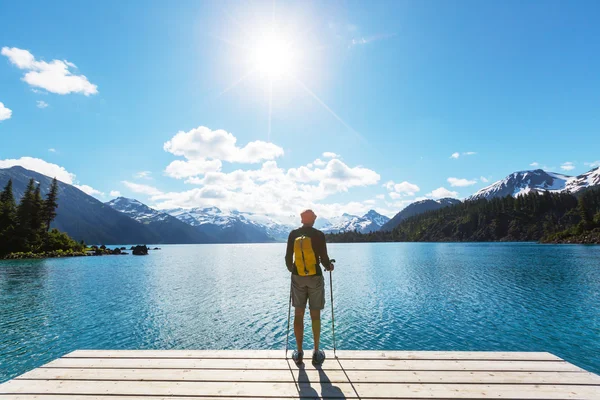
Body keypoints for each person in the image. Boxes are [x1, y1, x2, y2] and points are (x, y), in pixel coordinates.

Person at [285, 209, 334, 365]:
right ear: (313, 219)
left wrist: (294, 271)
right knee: (315, 315)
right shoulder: (319, 235)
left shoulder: (293, 234)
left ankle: (299, 353)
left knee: (298, 314)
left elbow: (287, 258)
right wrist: (329, 266)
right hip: (315, 277)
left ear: (301, 220)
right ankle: (316, 352)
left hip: (298, 277)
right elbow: (324, 258)